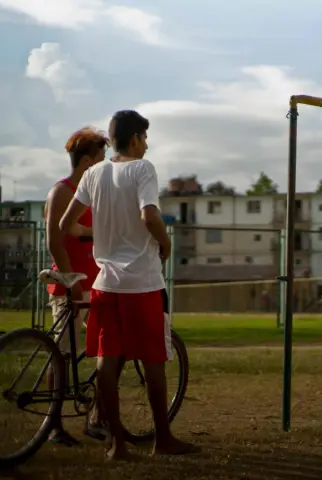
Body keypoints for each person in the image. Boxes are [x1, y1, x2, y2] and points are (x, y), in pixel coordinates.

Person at [59, 110, 195, 460]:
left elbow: (65, 225)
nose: (147, 145)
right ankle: (162, 439)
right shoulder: (142, 169)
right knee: (153, 361)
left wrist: (99, 234)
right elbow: (149, 216)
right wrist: (165, 243)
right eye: (145, 138)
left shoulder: (93, 173)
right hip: (143, 283)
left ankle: (116, 443)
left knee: (107, 361)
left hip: (106, 284)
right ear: (135, 138)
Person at [44, 127, 107, 445]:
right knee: (63, 354)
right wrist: (70, 282)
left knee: (104, 350)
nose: (104, 164)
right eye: (100, 159)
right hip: (72, 286)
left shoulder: (91, 193)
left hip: (96, 284)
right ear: (86, 161)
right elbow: (55, 242)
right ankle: (52, 426)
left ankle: (96, 418)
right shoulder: (63, 191)